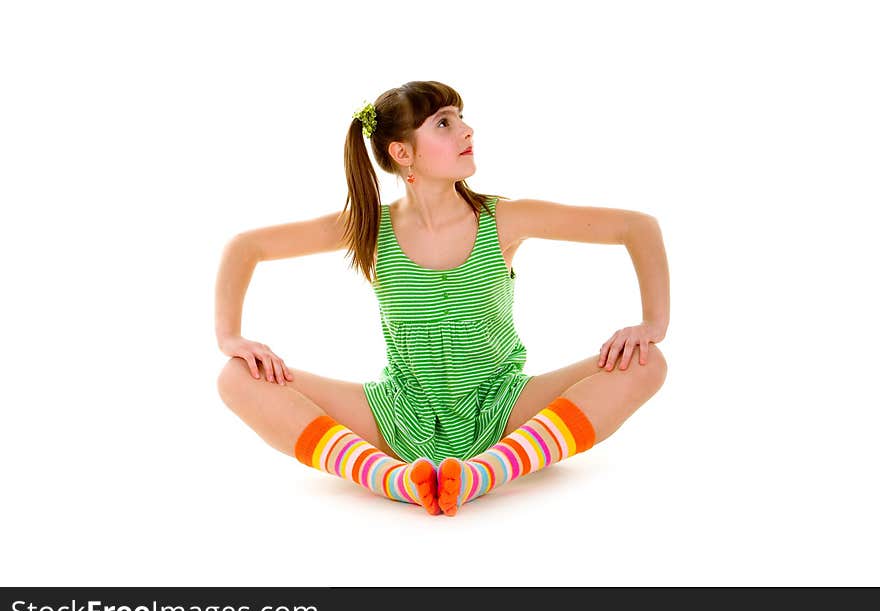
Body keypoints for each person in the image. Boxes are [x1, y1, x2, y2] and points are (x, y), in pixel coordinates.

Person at [215, 80, 670, 517]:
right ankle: (389, 477)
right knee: (236, 378)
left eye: (461, 118)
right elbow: (245, 248)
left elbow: (637, 227)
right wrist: (231, 337)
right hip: (398, 414)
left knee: (648, 363)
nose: (466, 130)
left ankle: (486, 472)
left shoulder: (504, 219)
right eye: (443, 123)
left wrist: (652, 325)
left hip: (505, 406)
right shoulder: (369, 228)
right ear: (402, 152)